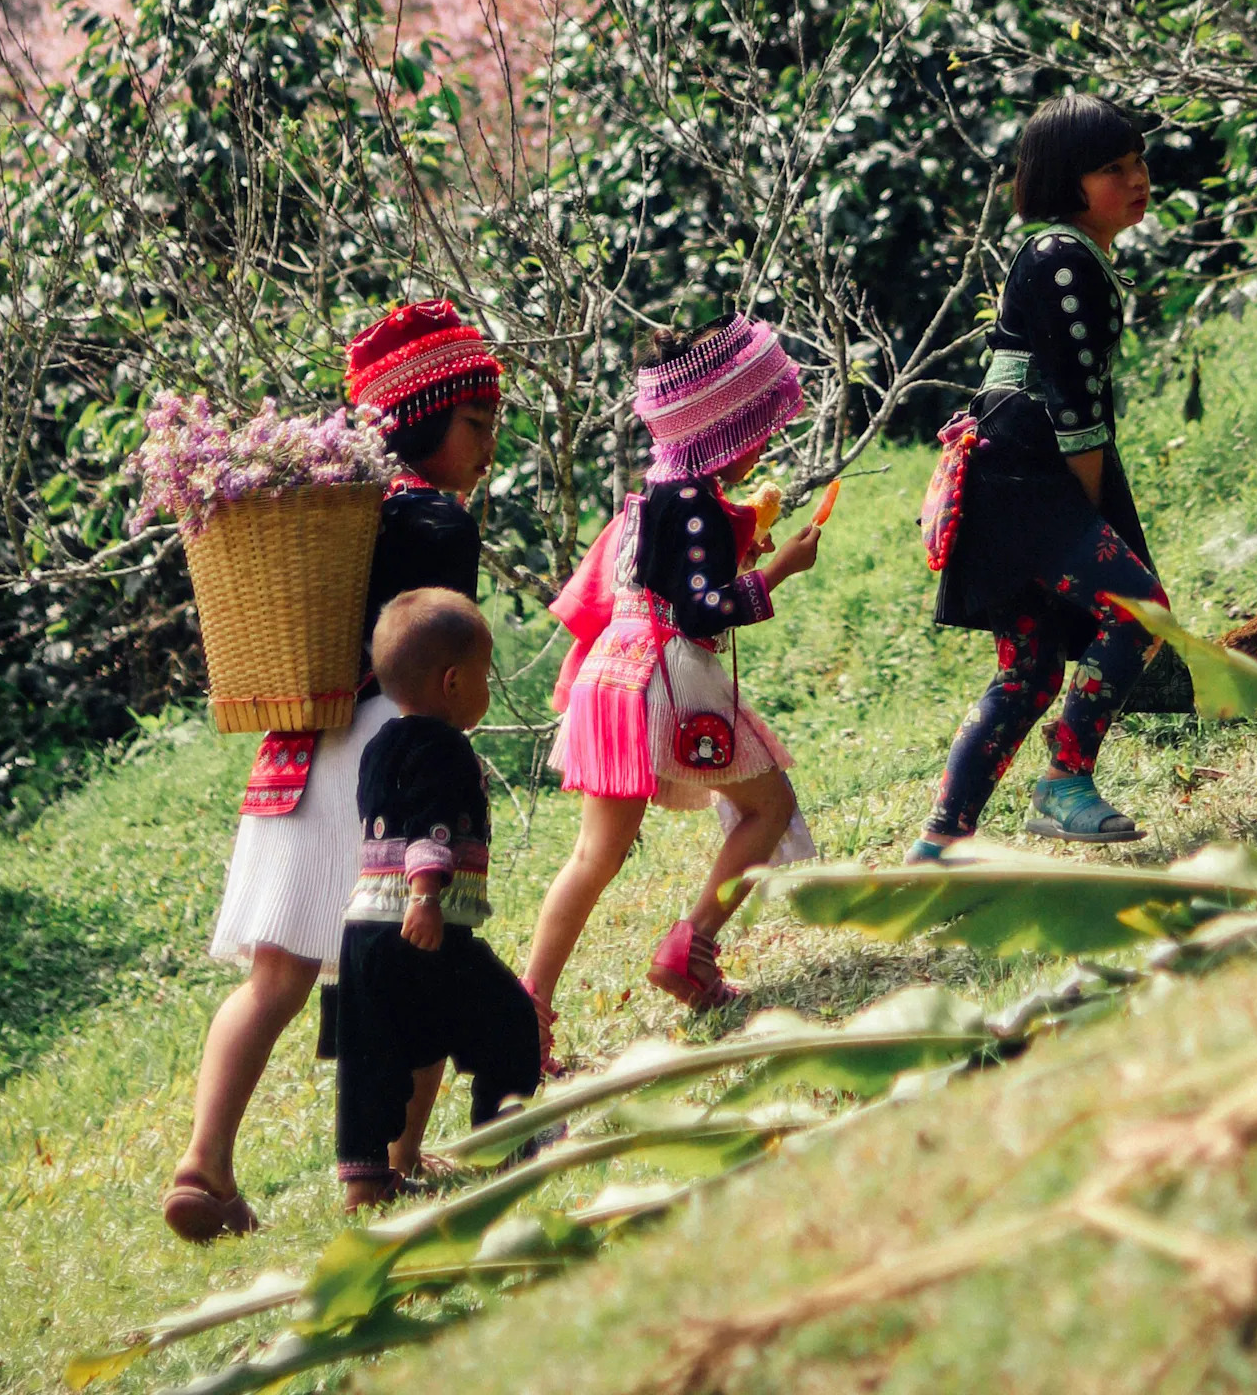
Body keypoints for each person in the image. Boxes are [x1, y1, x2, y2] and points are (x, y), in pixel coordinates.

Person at [161, 300, 500, 1243]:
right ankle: (395, 1159)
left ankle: (204, 1166)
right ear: (423, 418)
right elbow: (444, 655)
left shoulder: (325, 517)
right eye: (476, 424)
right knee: (421, 959)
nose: (486, 446)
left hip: (295, 753)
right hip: (391, 754)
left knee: (274, 980)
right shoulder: (434, 521)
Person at [523, 316, 822, 1056]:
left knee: (593, 856)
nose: (762, 443)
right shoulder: (693, 501)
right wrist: (776, 571)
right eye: (755, 426)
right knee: (770, 805)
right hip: (664, 674)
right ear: (723, 427)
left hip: (611, 675)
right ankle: (690, 948)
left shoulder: (650, 495)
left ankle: (526, 1016)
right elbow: (700, 610)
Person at [909, 95, 1190, 856]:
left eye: (1137, 162)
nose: (1137, 179)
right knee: (1137, 611)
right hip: (1028, 475)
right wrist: (1089, 513)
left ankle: (940, 842)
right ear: (1066, 182)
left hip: (1005, 472)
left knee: (1029, 672)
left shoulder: (1062, 252)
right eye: (1111, 169)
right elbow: (1073, 405)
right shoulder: (1066, 259)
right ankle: (1064, 783)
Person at [332, 589, 542, 1207]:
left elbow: (385, 820)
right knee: (508, 1018)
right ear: (453, 681)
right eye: (484, 675)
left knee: (375, 1052)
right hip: (423, 923)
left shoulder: (380, 744)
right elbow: (431, 825)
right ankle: (504, 1138)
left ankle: (365, 1181)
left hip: (367, 925)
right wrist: (425, 893)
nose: (485, 687)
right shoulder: (443, 747)